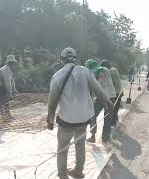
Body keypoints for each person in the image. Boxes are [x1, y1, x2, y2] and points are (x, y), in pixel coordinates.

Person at [46, 48, 113, 179]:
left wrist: (50, 119)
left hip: (67, 120)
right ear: (75, 59)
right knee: (80, 145)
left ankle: (63, 175)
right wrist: (108, 103)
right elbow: (98, 90)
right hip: (84, 118)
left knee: (62, 149)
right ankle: (78, 171)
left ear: (61, 60)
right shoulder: (85, 71)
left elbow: (52, 101)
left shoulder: (57, 76)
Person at [85, 59, 116, 143]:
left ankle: (93, 136)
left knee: (93, 115)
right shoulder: (104, 70)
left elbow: (97, 88)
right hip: (111, 96)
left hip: (103, 98)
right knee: (107, 118)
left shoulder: (98, 72)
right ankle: (105, 139)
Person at [0, 55, 18, 120]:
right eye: (13, 63)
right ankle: (4, 117)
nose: (14, 64)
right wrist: (9, 92)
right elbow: (7, 82)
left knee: (6, 102)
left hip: (2, 87)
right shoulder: (5, 69)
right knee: (2, 102)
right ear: (11, 63)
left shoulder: (8, 69)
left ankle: (7, 116)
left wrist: (14, 89)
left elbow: (12, 80)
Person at [101, 60, 123, 127]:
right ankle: (114, 120)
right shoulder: (114, 70)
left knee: (112, 108)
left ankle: (113, 122)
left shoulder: (111, 71)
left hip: (115, 92)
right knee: (114, 107)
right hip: (118, 92)